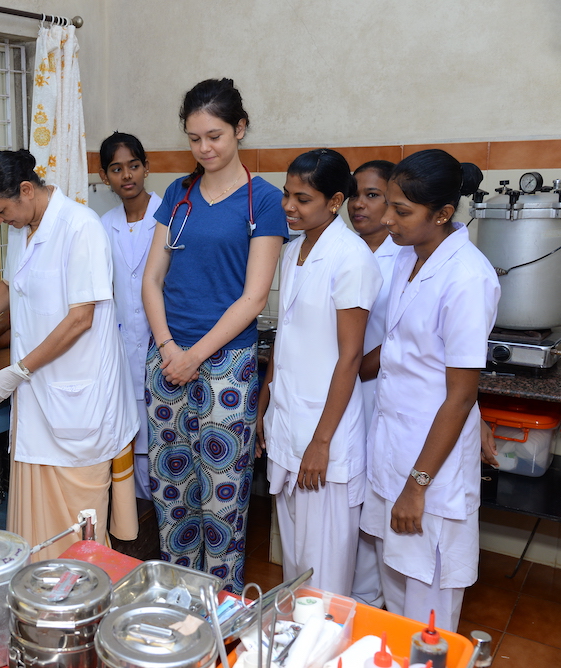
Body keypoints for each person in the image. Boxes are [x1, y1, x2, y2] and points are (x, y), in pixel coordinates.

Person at [0, 149, 140, 559]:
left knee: (79, 526)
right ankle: (37, 600)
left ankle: (81, 608)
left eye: (1, 212)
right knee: (34, 527)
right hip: (37, 397)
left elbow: (80, 319)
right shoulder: (21, 226)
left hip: (78, 398)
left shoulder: (80, 228)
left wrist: (17, 372)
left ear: (25, 190)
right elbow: (10, 282)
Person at [142, 78, 288, 593]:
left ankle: (221, 610)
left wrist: (195, 356)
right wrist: (167, 349)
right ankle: (178, 607)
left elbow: (253, 299)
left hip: (226, 365)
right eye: (194, 137)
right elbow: (151, 280)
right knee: (172, 491)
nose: (204, 148)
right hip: (166, 359)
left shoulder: (263, 201)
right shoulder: (178, 196)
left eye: (215, 136)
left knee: (221, 498)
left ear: (240, 130)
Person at [360, 149, 499, 629]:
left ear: (442, 214)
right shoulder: (407, 257)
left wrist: (417, 487)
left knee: (428, 604)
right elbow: (405, 346)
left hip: (428, 467)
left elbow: (459, 392)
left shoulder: (467, 278)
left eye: (402, 211)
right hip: (393, 444)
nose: (387, 219)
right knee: (393, 586)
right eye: (390, 205)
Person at [257, 149, 382, 596]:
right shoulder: (292, 253)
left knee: (324, 579)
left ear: (333, 201)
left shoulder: (351, 259)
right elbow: (285, 340)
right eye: (287, 195)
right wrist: (264, 405)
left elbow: (350, 357)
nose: (289, 206)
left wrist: (321, 442)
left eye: (302, 199)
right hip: (289, 424)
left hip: (324, 438)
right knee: (294, 566)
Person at [98, 131, 163, 499]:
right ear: (105, 176)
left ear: (146, 167)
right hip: (122, 351)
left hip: (164, 348)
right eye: (117, 169)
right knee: (132, 447)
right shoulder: (102, 225)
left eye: (133, 166)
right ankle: (138, 531)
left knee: (166, 448)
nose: (127, 176)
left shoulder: (168, 215)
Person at [347, 159, 398, 607]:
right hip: (349, 389)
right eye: (354, 194)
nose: (359, 203)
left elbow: (401, 331)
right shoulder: (349, 249)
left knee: (373, 500)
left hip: (376, 388)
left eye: (373, 194)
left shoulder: (401, 258)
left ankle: (370, 601)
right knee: (355, 500)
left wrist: (354, 368)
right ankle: (357, 597)